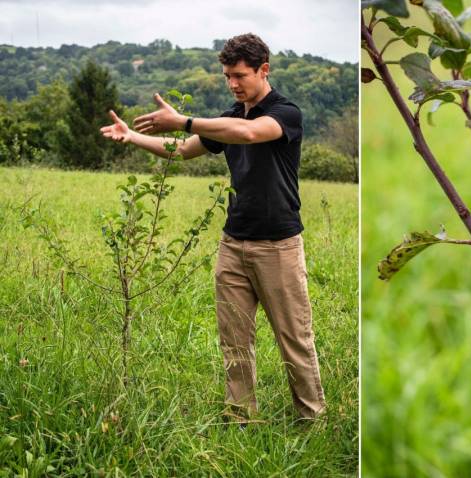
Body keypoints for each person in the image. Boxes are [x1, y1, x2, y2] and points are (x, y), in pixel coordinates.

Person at [100, 33, 326, 422]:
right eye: (227, 76)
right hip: (233, 243)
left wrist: (183, 120)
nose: (233, 83)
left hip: (278, 246)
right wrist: (132, 136)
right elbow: (185, 150)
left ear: (263, 70)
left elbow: (251, 134)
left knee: (294, 341)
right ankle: (240, 416)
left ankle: (311, 418)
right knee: (234, 340)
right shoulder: (231, 114)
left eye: (239, 75)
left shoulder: (286, 113)